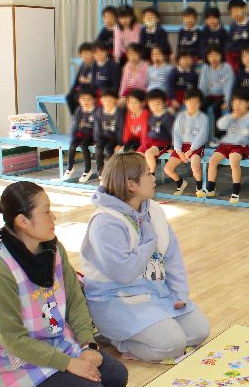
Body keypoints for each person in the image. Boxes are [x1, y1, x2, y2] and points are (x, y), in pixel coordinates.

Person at [0, 182, 128, 387]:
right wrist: (69, 364)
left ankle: (63, 379)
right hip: (16, 361)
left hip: (56, 343)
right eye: (46, 211)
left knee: (116, 378)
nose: (53, 216)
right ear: (23, 222)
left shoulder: (54, 249)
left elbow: (75, 300)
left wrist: (88, 345)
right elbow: (13, 340)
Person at [81, 154, 211, 363]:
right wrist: (149, 241)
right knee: (172, 344)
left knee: (199, 331)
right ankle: (116, 339)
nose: (154, 178)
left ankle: (152, 329)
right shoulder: (105, 222)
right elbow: (124, 273)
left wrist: (179, 293)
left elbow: (172, 256)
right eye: (148, 174)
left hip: (155, 293)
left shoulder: (153, 209)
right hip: (117, 300)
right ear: (131, 185)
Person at [198, 88, 249, 203]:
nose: (237, 106)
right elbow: (220, 125)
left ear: (248, 104)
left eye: (241, 103)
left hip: (240, 146)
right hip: (225, 145)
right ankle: (210, 188)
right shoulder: (230, 116)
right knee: (212, 161)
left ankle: (235, 192)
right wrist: (231, 117)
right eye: (235, 103)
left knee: (234, 161)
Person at [165, 88, 209, 196]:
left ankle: (199, 187)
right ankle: (180, 183)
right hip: (181, 146)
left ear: (200, 103)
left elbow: (202, 136)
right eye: (190, 101)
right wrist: (179, 151)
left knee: (195, 166)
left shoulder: (203, 118)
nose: (193, 104)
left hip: (196, 146)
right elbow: (176, 134)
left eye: (196, 102)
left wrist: (191, 150)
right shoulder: (180, 116)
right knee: (168, 169)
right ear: (185, 102)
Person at [198, 44, 236, 143]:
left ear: (221, 55)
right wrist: (200, 99)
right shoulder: (205, 67)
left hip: (222, 96)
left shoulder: (227, 67)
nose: (213, 58)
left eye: (216, 55)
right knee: (201, 106)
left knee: (216, 107)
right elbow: (202, 86)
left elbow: (228, 86)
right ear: (207, 57)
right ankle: (201, 134)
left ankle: (219, 136)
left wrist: (227, 101)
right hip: (210, 95)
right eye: (210, 55)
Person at [64, 86, 97, 183]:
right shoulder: (78, 110)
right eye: (83, 99)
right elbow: (76, 126)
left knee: (83, 145)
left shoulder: (96, 111)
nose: (85, 101)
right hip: (81, 133)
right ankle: (70, 168)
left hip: (92, 136)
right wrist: (75, 136)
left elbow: (98, 128)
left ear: (93, 100)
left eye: (88, 99)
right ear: (79, 100)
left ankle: (88, 170)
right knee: (72, 144)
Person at [94, 87, 124, 175]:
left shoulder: (119, 113)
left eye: (110, 99)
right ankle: (100, 172)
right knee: (98, 149)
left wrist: (120, 143)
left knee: (109, 149)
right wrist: (97, 140)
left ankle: (111, 172)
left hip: (114, 138)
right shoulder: (99, 112)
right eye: (105, 99)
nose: (107, 102)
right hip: (103, 137)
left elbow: (120, 130)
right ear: (101, 100)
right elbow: (97, 129)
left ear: (116, 100)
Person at [66, 43, 96, 115]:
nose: (86, 56)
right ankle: (75, 117)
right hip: (82, 89)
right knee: (69, 96)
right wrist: (71, 90)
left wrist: (87, 80)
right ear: (80, 55)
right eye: (83, 54)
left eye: (88, 53)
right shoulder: (83, 65)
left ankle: (82, 116)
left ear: (93, 53)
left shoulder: (95, 65)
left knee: (78, 98)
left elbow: (97, 81)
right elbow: (77, 80)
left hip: (91, 89)